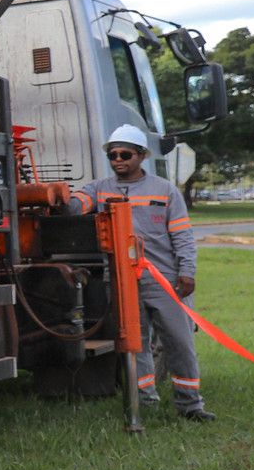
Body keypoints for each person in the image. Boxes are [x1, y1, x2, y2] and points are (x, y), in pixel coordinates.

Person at [69, 124, 214, 421]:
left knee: (180, 342)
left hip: (165, 281)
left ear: (142, 156)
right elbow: (74, 206)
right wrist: (58, 197)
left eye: (125, 154)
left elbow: (183, 236)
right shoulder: (99, 189)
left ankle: (190, 406)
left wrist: (187, 271)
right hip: (122, 282)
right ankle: (143, 403)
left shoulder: (164, 191)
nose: (118, 160)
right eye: (113, 155)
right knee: (134, 345)